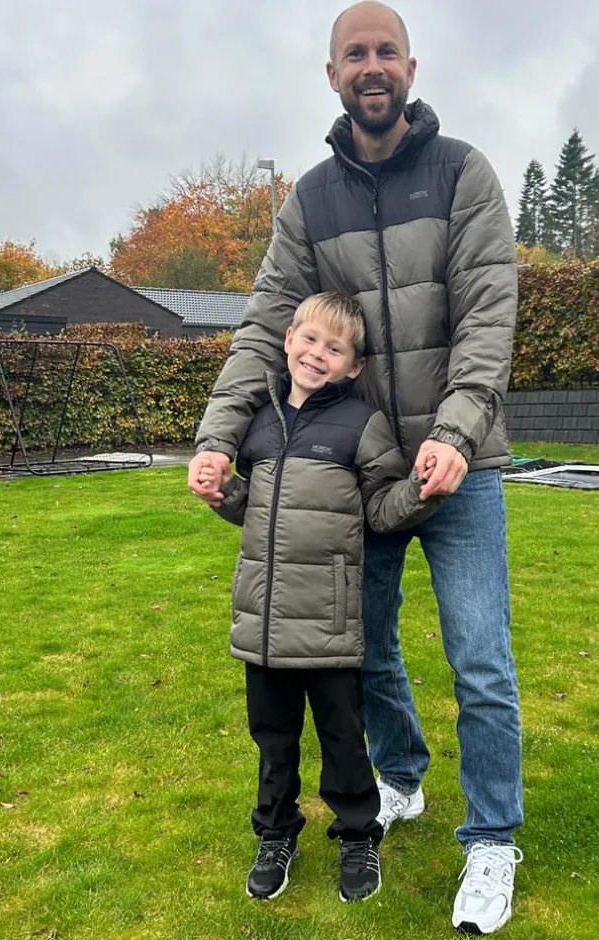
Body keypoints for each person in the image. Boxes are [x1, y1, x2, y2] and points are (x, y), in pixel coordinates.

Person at [188, 2, 523, 932]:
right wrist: (218, 437)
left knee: (480, 659)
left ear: (410, 67)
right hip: (354, 476)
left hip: (461, 467)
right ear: (332, 74)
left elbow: (488, 315)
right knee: (362, 650)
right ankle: (402, 775)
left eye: (386, 52)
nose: (372, 66)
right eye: (354, 54)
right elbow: (264, 326)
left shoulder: (464, 173)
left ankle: (492, 838)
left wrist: (456, 433)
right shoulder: (309, 200)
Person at [202, 291, 441, 903]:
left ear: (353, 366)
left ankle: (359, 835)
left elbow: (381, 509)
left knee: (342, 739)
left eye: (334, 348)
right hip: (263, 622)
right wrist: (223, 494)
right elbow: (257, 510)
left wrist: (422, 490)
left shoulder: (362, 424)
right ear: (288, 341)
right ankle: (275, 834)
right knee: (273, 740)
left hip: (330, 622)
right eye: (309, 339)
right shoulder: (257, 422)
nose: (317, 354)